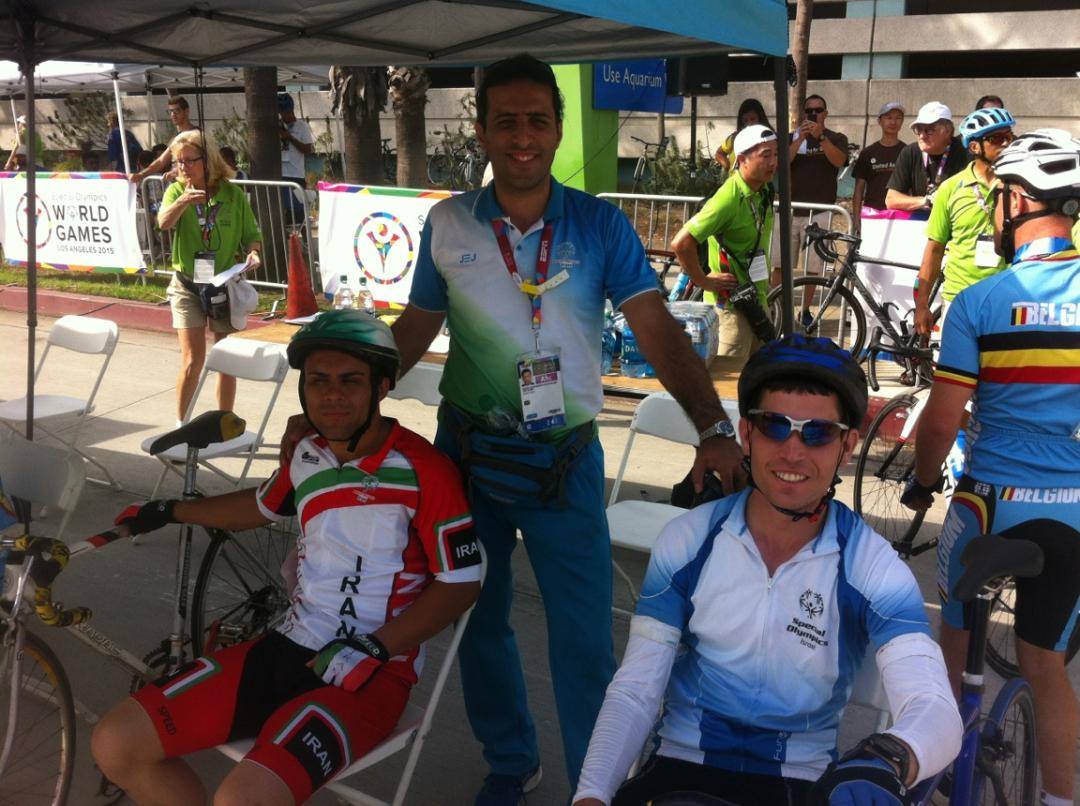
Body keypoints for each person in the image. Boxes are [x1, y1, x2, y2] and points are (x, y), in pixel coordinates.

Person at [291, 53, 743, 805]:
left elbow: (655, 327)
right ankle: (511, 763)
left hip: (566, 464)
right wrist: (335, 411)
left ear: (558, 129)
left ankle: (596, 786)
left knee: (584, 640)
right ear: (482, 130)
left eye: (538, 120)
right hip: (466, 462)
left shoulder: (600, 224)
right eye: (507, 121)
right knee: (477, 621)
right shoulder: (448, 223)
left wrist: (713, 425)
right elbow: (415, 329)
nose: (523, 136)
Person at [91, 311, 483, 806]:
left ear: (382, 387)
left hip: (373, 670)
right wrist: (169, 510)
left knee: (241, 800)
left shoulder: (425, 470)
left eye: (350, 381)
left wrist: (375, 647)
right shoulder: (307, 452)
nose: (332, 394)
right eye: (318, 380)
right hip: (286, 645)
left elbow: (462, 582)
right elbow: (260, 506)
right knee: (117, 744)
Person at [573, 335, 962, 806]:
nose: (792, 452)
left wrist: (890, 757)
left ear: (847, 446)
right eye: (775, 426)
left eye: (818, 432)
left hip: (798, 782)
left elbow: (935, 708)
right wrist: (591, 794)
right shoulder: (690, 539)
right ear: (747, 434)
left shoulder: (869, 564)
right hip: (681, 767)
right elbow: (636, 689)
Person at [903, 129, 1080, 806]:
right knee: (1047, 667)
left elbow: (940, 424)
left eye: (1000, 196)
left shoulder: (980, 301)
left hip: (990, 502)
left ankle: (945, 768)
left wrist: (922, 483)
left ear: (1017, 201)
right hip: (1074, 508)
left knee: (953, 637)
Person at [157, 129, 262, 424]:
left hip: (222, 285)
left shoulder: (232, 194)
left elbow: (251, 235)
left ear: (208, 160)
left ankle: (223, 422)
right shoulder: (177, 191)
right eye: (179, 162)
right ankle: (181, 426)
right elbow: (163, 223)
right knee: (193, 359)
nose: (183, 167)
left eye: (190, 160)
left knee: (226, 360)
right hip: (187, 285)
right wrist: (182, 202)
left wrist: (253, 252)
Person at [671, 124, 779, 363]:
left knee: (759, 377)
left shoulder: (764, 190)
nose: (773, 162)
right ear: (742, 159)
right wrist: (703, 280)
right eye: (765, 155)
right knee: (729, 382)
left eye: (775, 154)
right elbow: (681, 243)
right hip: (731, 311)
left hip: (758, 303)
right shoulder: (728, 197)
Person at [913, 108, 1016, 338]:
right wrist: (921, 306)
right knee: (955, 362)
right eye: (998, 138)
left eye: (1010, 137)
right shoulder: (950, 189)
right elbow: (934, 249)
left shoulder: (1020, 187)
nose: (1007, 144)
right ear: (975, 147)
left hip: (1006, 298)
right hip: (960, 297)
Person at [787, 95, 850, 324]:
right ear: (803, 114)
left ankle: (804, 311)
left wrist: (820, 137)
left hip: (820, 212)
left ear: (826, 113)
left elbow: (839, 161)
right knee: (780, 264)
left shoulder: (837, 137)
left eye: (818, 110)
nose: (813, 114)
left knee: (812, 267)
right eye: (809, 111)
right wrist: (800, 138)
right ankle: (778, 307)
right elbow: (782, 163)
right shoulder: (792, 137)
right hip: (790, 210)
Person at [885, 102, 969, 212]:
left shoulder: (966, 153)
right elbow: (891, 200)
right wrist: (926, 201)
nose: (922, 136)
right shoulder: (910, 152)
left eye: (929, 130)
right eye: (918, 129)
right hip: (922, 220)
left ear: (947, 131)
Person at [851, 102, 906, 222]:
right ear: (879, 121)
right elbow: (859, 189)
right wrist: (856, 218)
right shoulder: (868, 153)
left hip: (900, 216)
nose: (893, 122)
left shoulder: (908, 152)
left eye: (898, 118)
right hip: (872, 215)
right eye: (888, 117)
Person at [131, 96, 196, 184]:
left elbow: (198, 163)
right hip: (180, 184)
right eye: (170, 111)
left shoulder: (195, 135)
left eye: (177, 111)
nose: (173, 115)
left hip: (193, 185)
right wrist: (141, 175)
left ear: (186, 111)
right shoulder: (177, 137)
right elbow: (161, 161)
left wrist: (177, 171)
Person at [278, 93, 314, 220]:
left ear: (291, 110)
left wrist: (290, 138)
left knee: (298, 214)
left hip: (296, 175)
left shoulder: (302, 126)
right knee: (283, 213)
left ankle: (302, 232)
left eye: (285, 112)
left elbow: (308, 150)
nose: (283, 116)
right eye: (281, 113)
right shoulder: (278, 126)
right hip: (280, 175)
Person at [714, 98, 772, 173]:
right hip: (735, 179)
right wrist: (727, 166)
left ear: (760, 119)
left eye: (752, 119)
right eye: (745, 120)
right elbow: (719, 153)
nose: (749, 124)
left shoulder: (770, 138)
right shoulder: (734, 138)